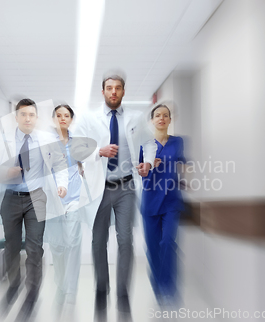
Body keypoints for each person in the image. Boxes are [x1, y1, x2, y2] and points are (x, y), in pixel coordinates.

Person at [73, 74, 157, 321]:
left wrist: (147, 163)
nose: (113, 92)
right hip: (99, 188)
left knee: (125, 240)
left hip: (126, 187)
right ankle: (101, 288)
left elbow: (149, 142)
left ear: (123, 92)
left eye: (117, 88)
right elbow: (75, 147)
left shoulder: (135, 118)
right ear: (103, 92)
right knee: (98, 241)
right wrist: (98, 151)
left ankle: (122, 293)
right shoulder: (89, 119)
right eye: (109, 88)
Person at [0, 98, 68, 319]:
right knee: (11, 248)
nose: (28, 118)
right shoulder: (4, 141)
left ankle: (31, 295)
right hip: (10, 197)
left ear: (36, 118)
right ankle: (14, 284)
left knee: (34, 249)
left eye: (32, 115)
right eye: (23, 115)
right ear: (17, 118)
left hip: (37, 198)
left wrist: (62, 184)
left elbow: (60, 164)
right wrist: (5, 173)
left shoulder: (46, 140)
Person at [139, 104, 186, 306]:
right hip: (150, 200)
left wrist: (184, 176)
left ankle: (170, 287)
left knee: (168, 242)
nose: (161, 118)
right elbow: (140, 170)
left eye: (165, 115)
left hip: (171, 200)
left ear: (169, 119)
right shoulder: (144, 144)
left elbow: (181, 163)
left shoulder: (178, 142)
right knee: (153, 247)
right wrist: (147, 168)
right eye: (157, 115)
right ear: (152, 120)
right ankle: (158, 287)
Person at [44, 104, 84, 315]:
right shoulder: (45, 142)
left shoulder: (78, 142)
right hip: (53, 201)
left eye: (66, 115)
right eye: (58, 115)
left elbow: (88, 164)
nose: (62, 118)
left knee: (73, 243)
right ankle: (60, 286)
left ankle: (71, 290)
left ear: (71, 119)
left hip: (74, 198)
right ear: (53, 118)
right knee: (57, 246)